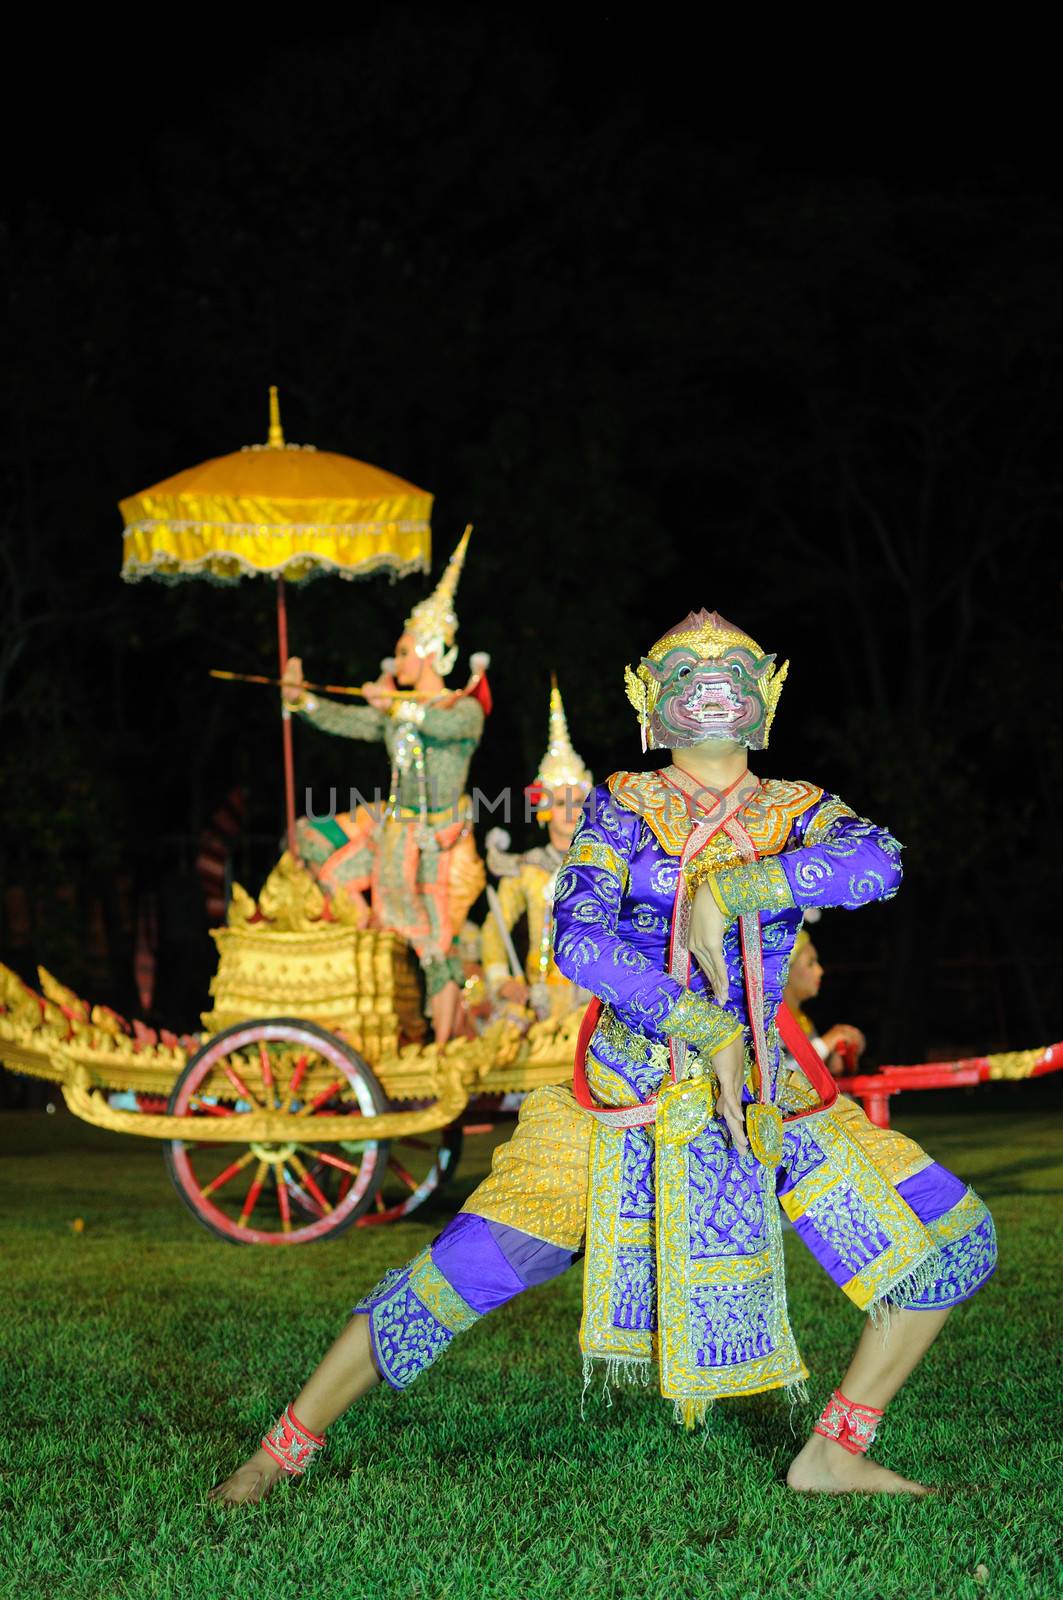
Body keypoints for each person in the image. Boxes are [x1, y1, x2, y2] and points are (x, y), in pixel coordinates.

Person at [211, 608, 995, 1506]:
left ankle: (832, 1451)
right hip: (623, 1094)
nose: (709, 685)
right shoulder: (625, 802)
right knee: (464, 1267)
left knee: (953, 1238)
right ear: (648, 705)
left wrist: (742, 886)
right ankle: (282, 1449)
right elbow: (576, 940)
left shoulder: (796, 809)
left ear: (763, 697)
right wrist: (703, 1025)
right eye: (685, 673)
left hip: (767, 1101)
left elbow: (879, 865)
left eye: (731, 671)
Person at [283, 529, 489, 1044]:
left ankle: (444, 1049)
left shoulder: (461, 711)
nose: (396, 662)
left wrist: (394, 704)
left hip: (437, 846)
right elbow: (351, 722)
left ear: (425, 651)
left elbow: (435, 726)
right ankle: (365, 985)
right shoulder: (398, 714)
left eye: (402, 652)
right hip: (394, 833)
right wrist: (302, 700)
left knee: (436, 944)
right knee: (316, 847)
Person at [481, 677, 592, 1023]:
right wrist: (501, 982)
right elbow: (493, 929)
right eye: (562, 802)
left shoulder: (603, 864)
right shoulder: (529, 868)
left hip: (596, 998)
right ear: (545, 809)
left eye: (578, 801)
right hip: (543, 1000)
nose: (571, 810)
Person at [783, 926, 867, 1077]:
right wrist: (826, 1043)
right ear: (785, 972)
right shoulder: (768, 1023)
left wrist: (831, 1059)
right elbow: (781, 1075)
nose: (820, 971)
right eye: (810, 963)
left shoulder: (802, 1020)